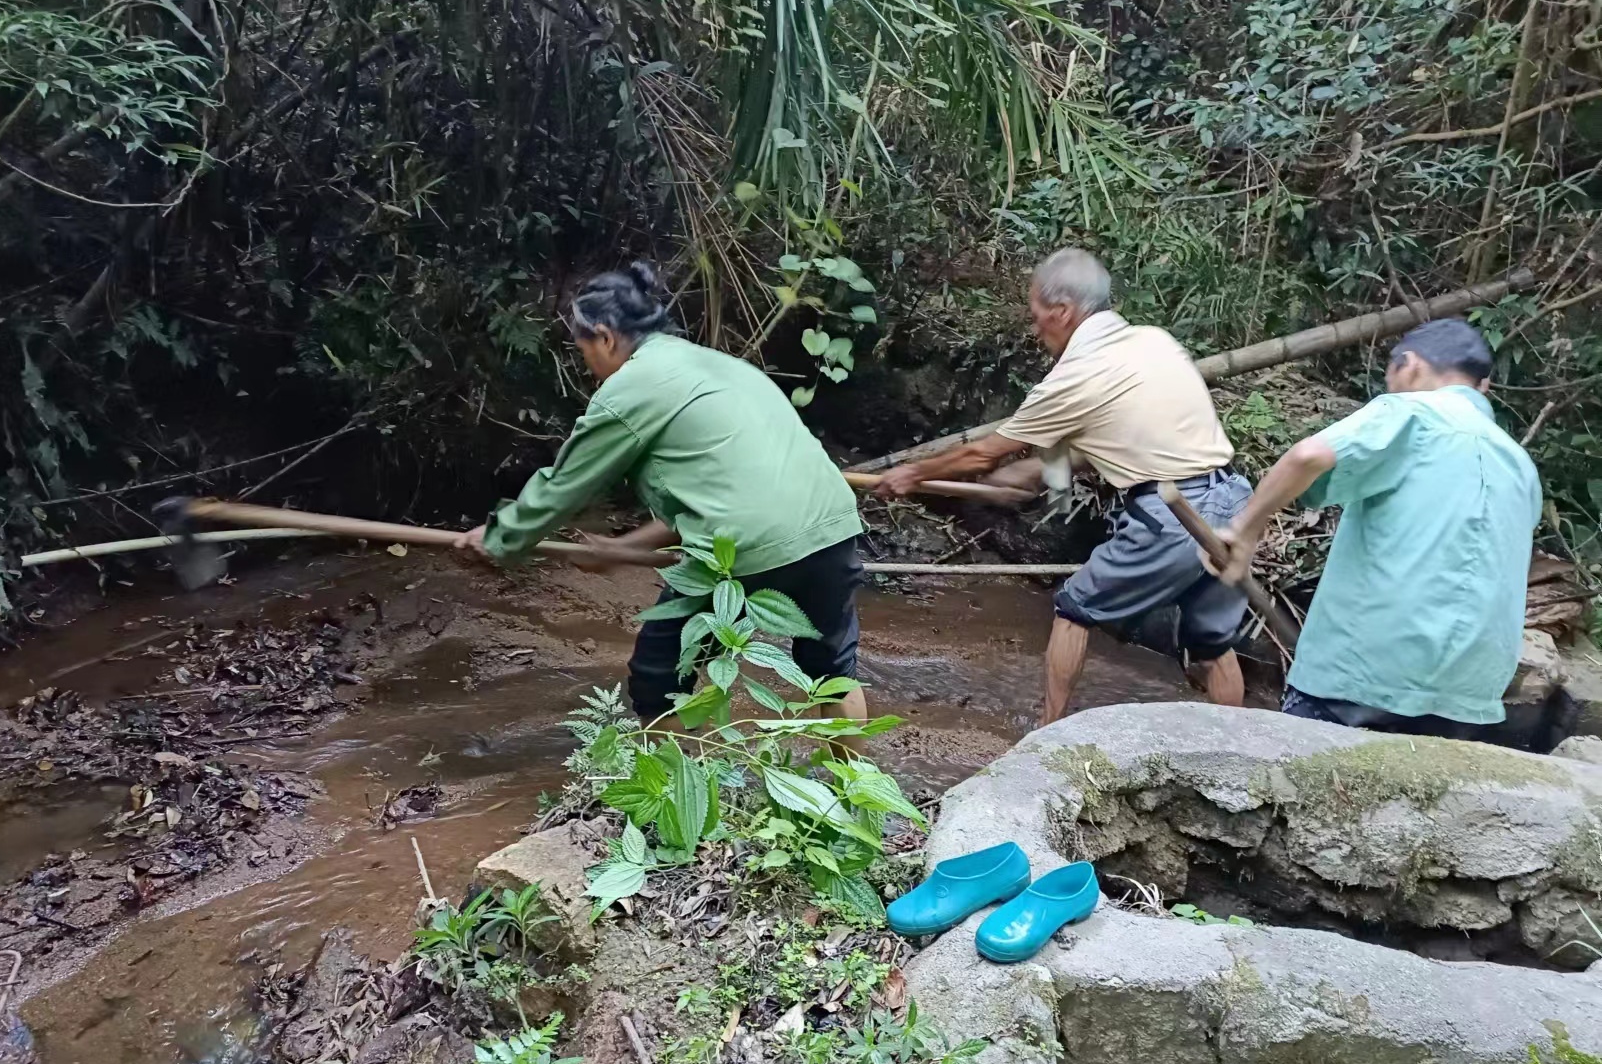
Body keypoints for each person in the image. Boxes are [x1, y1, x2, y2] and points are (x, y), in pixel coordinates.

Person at [453, 263, 868, 723]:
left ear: (605, 337)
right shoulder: (717, 365)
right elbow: (721, 492)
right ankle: (852, 792)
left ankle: (673, 790)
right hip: (832, 530)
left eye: (582, 349)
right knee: (832, 672)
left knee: (659, 677)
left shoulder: (631, 388)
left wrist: (498, 539)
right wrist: (624, 546)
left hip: (744, 549)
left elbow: (565, 485)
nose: (588, 365)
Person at [878, 248, 1252, 725]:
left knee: (1074, 606)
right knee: (1215, 641)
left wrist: (911, 474)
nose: (1036, 332)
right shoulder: (1154, 341)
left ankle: (1048, 733)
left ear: (1063, 312)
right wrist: (1034, 473)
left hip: (1172, 513)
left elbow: (981, 452)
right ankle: (1238, 744)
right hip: (1234, 503)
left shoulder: (1076, 374)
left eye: (1037, 319)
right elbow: (1120, 435)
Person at [1214, 318, 1541, 738]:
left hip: (1364, 677)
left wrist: (1244, 531)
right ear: (1484, 388)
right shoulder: (1520, 464)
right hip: (1470, 695)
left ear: (1409, 366)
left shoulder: (1411, 411)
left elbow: (1308, 457)